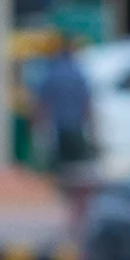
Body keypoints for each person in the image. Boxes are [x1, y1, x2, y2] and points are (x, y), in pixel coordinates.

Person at [27, 29, 96, 170]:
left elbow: (40, 103)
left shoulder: (50, 73)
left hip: (55, 129)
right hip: (76, 127)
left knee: (58, 168)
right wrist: (92, 126)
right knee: (77, 168)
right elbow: (87, 101)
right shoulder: (77, 73)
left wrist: (36, 124)